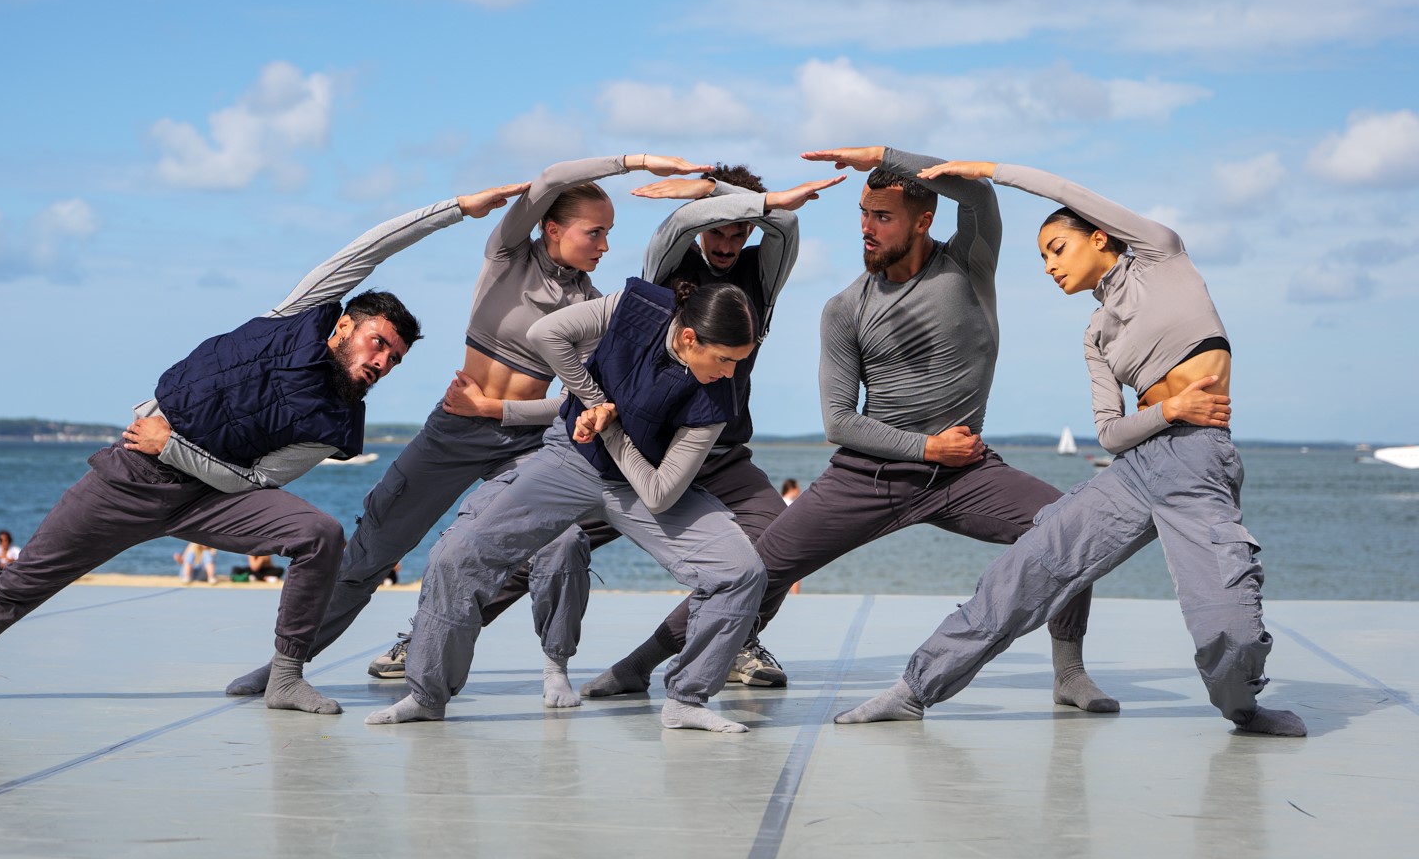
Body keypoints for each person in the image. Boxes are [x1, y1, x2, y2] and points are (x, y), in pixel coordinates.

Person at [0, 182, 523, 713]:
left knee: (319, 531)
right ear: (345, 325)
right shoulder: (301, 313)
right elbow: (372, 247)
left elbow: (251, 482)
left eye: (394, 361)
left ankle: (285, 676)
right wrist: (459, 208)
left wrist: (172, 445)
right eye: (379, 344)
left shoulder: (335, 425)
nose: (381, 363)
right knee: (21, 584)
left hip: (207, 493)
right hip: (129, 477)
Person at [591, 145, 1114, 714]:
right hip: (869, 475)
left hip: (965, 473)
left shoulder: (967, 264)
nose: (867, 228)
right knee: (755, 571)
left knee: (1068, 525)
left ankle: (1070, 672)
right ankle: (639, 664)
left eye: (883, 217)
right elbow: (838, 422)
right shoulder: (843, 309)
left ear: (923, 220)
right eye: (863, 215)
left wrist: (885, 155)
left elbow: (980, 194)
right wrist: (925, 445)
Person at [833, 159, 1304, 738]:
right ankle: (914, 689)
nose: (1051, 266)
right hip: (1134, 470)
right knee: (1023, 571)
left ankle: (1243, 709)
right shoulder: (1097, 332)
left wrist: (992, 171)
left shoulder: (1161, 256)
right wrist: (1168, 410)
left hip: (1198, 462)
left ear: (1100, 236)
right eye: (1042, 259)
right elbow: (1110, 433)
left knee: (1228, 622)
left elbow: (1064, 190)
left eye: (1057, 248)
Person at [225, 153, 710, 699]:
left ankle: (556, 668)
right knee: (369, 552)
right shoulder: (507, 256)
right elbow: (550, 179)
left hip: (527, 442)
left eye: (608, 235)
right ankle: (285, 665)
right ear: (553, 229)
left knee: (564, 541)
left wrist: (496, 411)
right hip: (451, 433)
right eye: (595, 232)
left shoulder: (592, 308)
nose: (604, 246)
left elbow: (588, 404)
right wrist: (636, 162)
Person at [366, 278, 766, 733]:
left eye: (741, 360)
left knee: (739, 571)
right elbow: (545, 334)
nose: (732, 372)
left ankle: (686, 700)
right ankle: (426, 694)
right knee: (455, 557)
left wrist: (608, 427)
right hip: (568, 460)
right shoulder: (635, 307)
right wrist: (594, 400)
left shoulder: (720, 394)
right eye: (725, 359)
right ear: (690, 338)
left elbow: (659, 493)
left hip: (640, 487)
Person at [542, 164, 839, 698]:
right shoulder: (669, 265)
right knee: (544, 538)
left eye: (739, 230)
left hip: (719, 450)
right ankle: (433, 629)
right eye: (717, 228)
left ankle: (715, 647)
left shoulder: (760, 276)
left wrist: (723, 195)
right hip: (634, 449)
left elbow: (787, 224)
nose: (727, 242)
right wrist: (709, 197)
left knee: (779, 544)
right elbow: (677, 223)